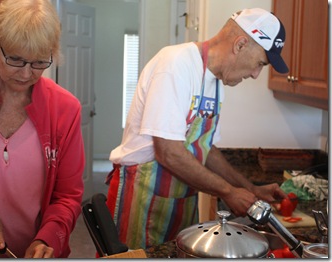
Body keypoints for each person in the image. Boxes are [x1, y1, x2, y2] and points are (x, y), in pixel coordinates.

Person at [106, 8, 289, 250]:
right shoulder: (176, 64)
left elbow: (205, 147)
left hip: (179, 203)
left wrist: (249, 188)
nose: (256, 74)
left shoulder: (215, 83)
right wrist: (228, 191)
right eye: (259, 64)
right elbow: (167, 151)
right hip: (141, 199)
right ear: (241, 44)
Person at [0, 0, 85, 258]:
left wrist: (48, 239)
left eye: (38, 62)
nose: (25, 74)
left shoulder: (65, 110)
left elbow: (67, 197)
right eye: (15, 59)